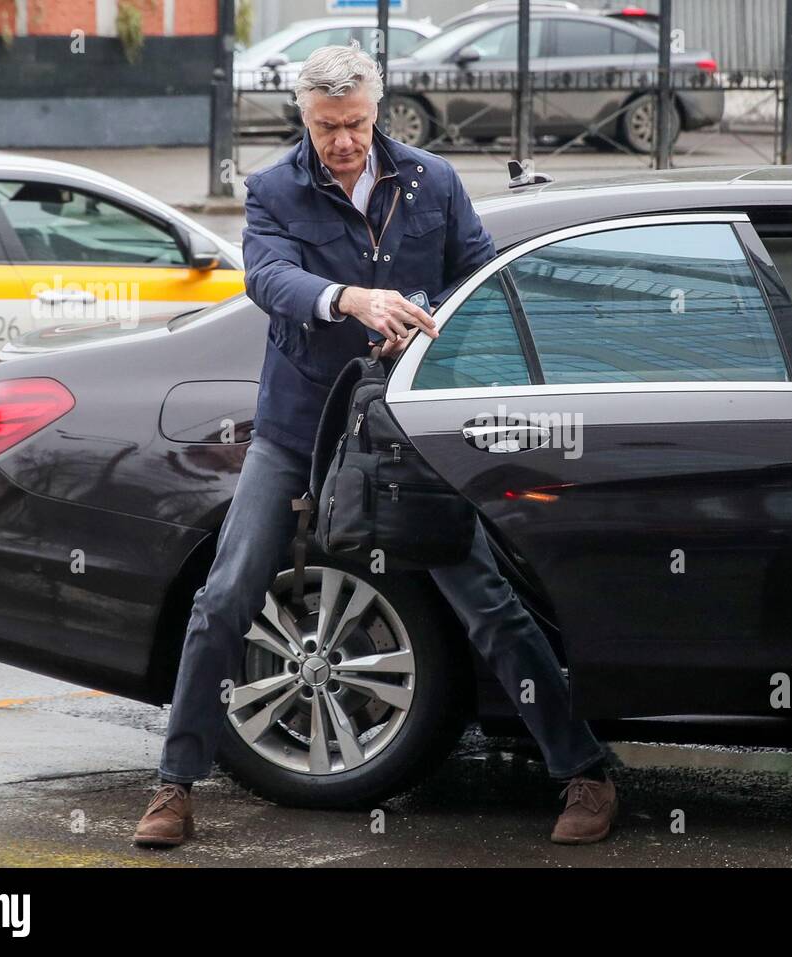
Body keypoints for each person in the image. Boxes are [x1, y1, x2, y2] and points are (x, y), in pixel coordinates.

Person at [133, 43, 618, 848]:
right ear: (304, 117)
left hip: (409, 433)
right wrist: (349, 298)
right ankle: (174, 787)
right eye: (328, 127)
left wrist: (430, 329)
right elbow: (268, 280)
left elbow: (483, 276)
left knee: (488, 601)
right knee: (224, 598)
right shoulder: (274, 191)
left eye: (356, 123)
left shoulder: (434, 179)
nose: (345, 141)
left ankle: (585, 773)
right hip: (298, 434)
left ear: (378, 110)